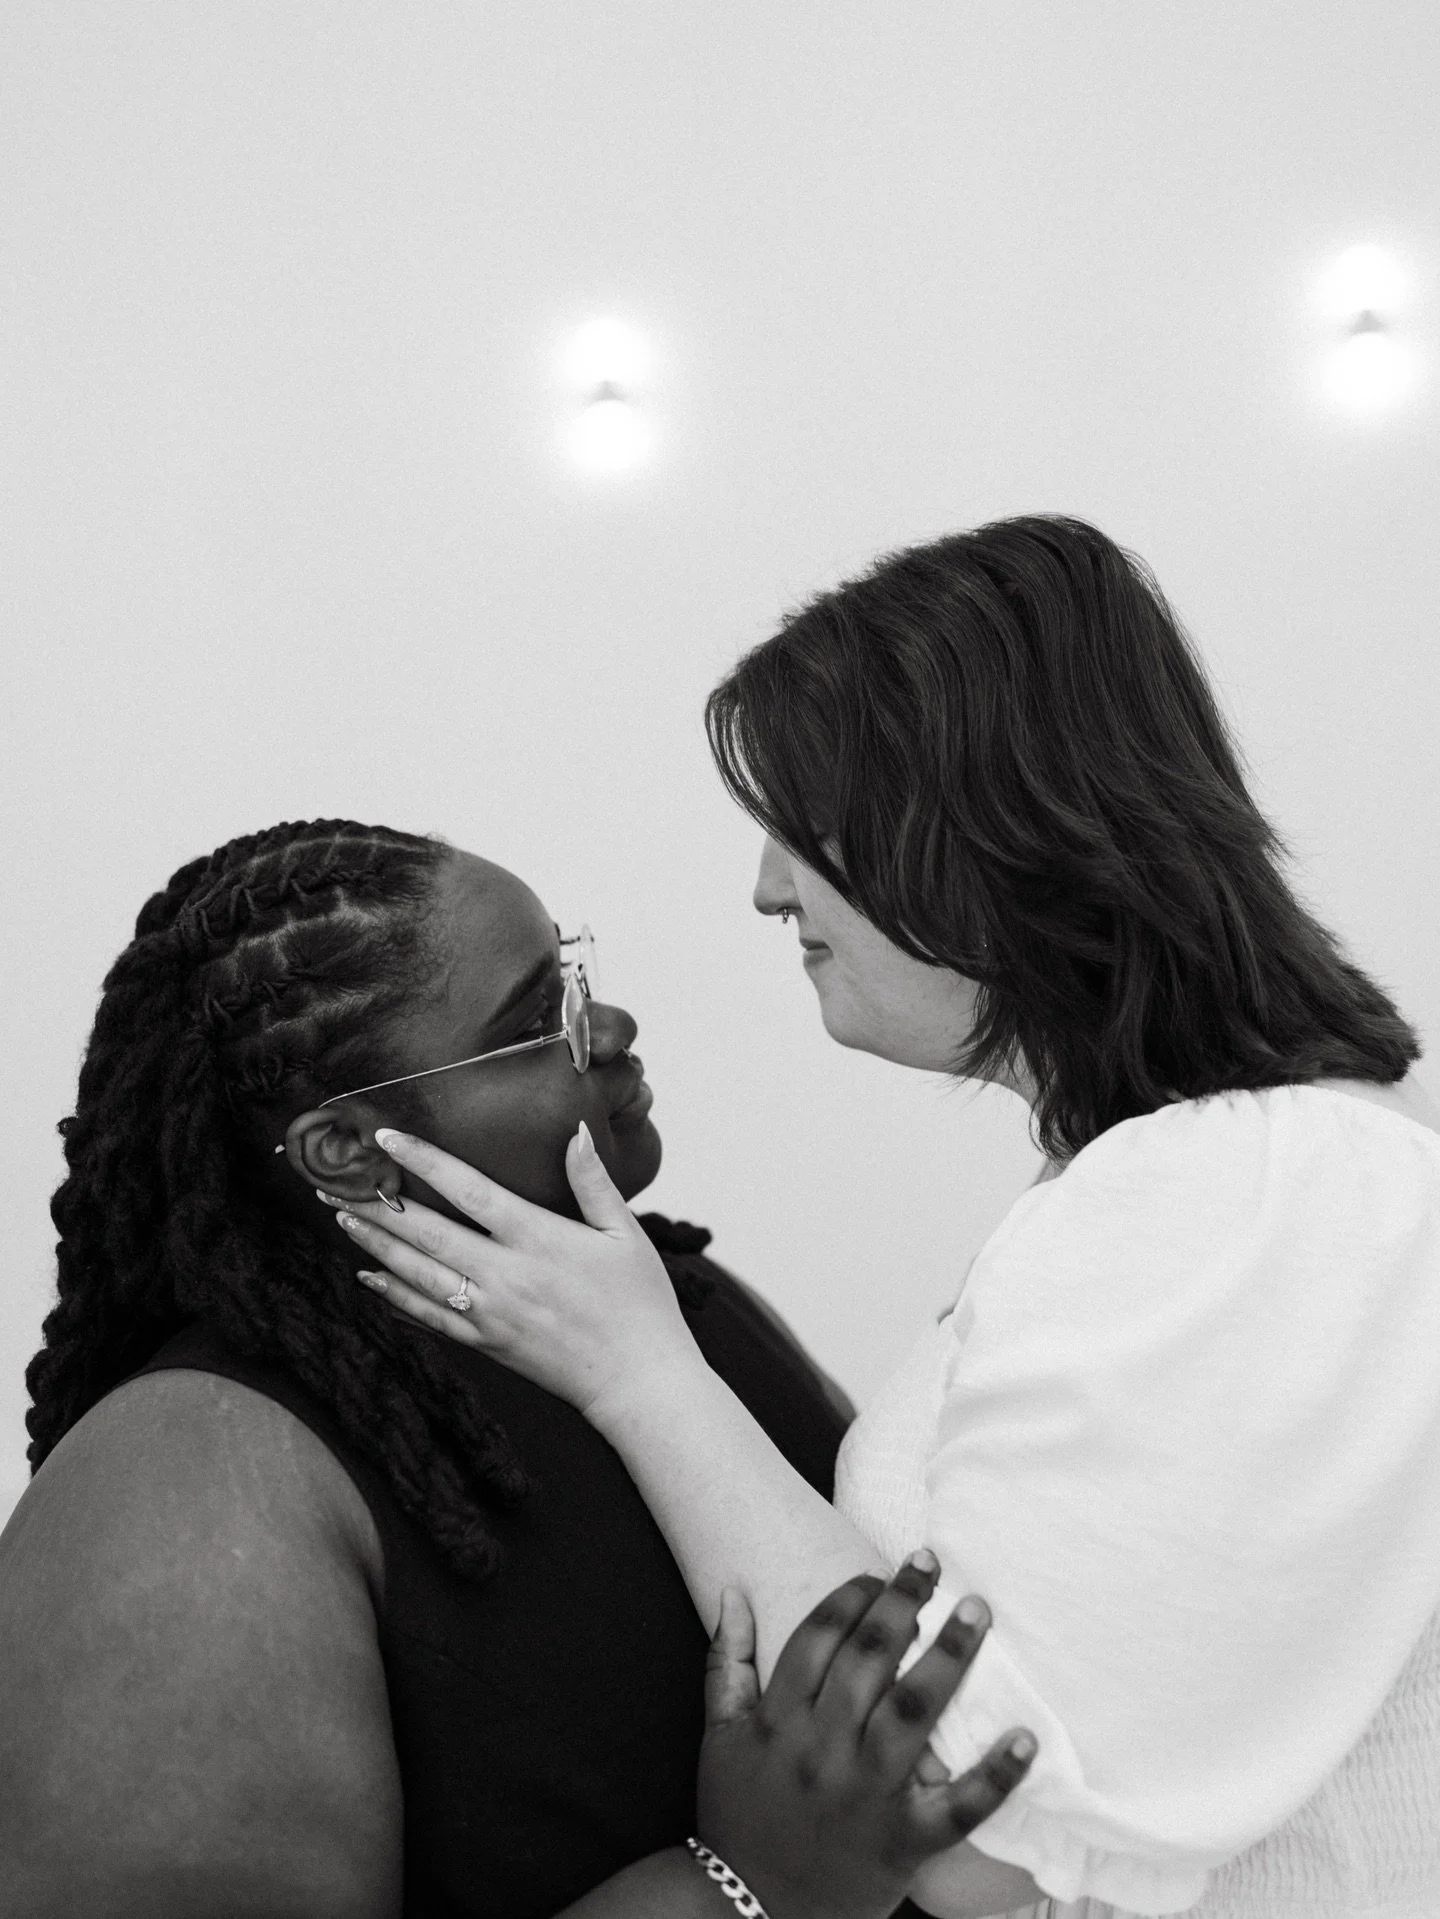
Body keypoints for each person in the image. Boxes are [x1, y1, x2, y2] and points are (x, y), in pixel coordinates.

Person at [339, 516, 1440, 1919]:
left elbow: (969, 1828)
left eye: (804, 825)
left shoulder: (1252, 1191)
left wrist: (639, 1368)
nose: (767, 887)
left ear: (989, 822)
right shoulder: (1202, 1181)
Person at [0, 818, 1034, 1919]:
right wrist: (748, 1886)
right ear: (347, 1151)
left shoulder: (690, 1313)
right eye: (539, 1019)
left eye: (576, 979)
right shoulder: (189, 1471)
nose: (615, 1026)